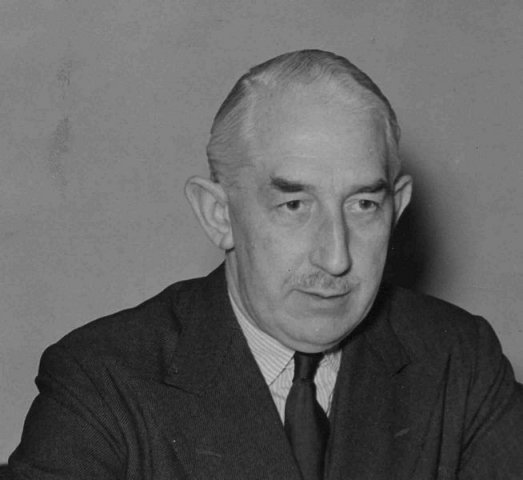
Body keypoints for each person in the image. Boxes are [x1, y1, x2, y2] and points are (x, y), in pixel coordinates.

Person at [8, 50, 523, 479]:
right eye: (294, 205)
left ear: (398, 207)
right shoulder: (101, 382)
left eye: (364, 205)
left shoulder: (459, 361)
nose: (336, 258)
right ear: (219, 215)